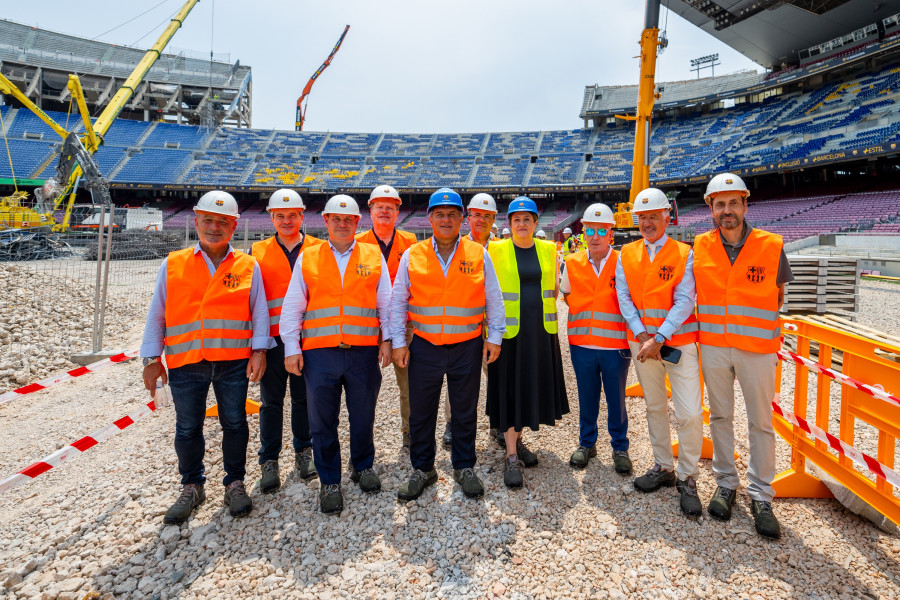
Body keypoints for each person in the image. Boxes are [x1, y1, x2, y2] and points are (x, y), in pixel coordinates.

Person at [141, 190, 269, 525]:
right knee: (186, 428)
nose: (215, 227)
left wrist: (259, 351)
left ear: (234, 226)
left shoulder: (247, 265)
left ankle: (235, 482)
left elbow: (259, 313)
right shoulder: (174, 264)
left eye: (223, 222)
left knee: (235, 423)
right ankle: (192, 485)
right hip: (186, 362)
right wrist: (151, 359)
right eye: (208, 220)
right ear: (196, 221)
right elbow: (157, 314)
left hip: (233, 362)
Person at [694, 173, 793, 539]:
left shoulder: (770, 245)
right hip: (716, 348)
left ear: (745, 205)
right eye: (719, 204)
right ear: (711, 209)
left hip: (757, 350)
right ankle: (725, 484)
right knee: (720, 416)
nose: (727, 210)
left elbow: (778, 296)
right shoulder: (700, 246)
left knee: (760, 422)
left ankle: (760, 495)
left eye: (733, 202)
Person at [281, 195, 393, 514]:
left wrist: (387, 340)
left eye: (349, 219)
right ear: (326, 221)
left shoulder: (372, 255)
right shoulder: (309, 256)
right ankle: (330, 480)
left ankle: (362, 466)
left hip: (363, 353)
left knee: (363, 415)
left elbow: (385, 302)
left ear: (358, 223)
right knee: (322, 421)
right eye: (336, 219)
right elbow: (293, 307)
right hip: (319, 354)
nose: (342, 224)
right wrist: (291, 348)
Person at [391, 188, 505, 501]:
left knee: (465, 410)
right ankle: (422, 468)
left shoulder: (477, 254)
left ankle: (464, 466)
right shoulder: (413, 255)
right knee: (421, 411)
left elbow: (493, 298)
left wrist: (494, 337)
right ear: (429, 218)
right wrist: (399, 342)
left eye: (452, 214)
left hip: (467, 345)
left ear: (461, 219)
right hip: (424, 345)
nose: (445, 219)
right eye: (439, 214)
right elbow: (398, 300)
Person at [616, 187, 704, 519]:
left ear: (667, 216)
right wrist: (642, 334)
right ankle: (664, 466)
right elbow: (624, 296)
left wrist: (660, 337)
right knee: (654, 406)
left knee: (689, 412)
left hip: (677, 343)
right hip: (642, 345)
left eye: (654, 216)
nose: (648, 222)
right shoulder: (626, 253)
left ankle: (688, 476)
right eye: (643, 217)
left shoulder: (684, 253)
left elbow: (685, 299)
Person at [486, 197, 569, 488]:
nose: (521, 224)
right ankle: (510, 454)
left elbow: (556, 289)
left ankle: (517, 440)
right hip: (509, 334)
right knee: (510, 389)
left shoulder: (548, 250)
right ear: (509, 224)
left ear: (535, 223)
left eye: (527, 220)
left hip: (540, 332)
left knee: (527, 387)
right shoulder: (495, 250)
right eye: (516, 220)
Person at [253, 189, 323, 495]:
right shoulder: (258, 251)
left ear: (302, 215)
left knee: (303, 399)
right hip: (272, 341)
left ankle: (303, 450)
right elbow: (254, 302)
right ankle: (269, 460)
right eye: (280, 215)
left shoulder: (319, 249)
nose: (286, 220)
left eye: (292, 215)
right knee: (271, 402)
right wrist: (257, 346)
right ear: (271, 217)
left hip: (307, 338)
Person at [561, 203, 632, 475]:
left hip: (616, 346)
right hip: (582, 345)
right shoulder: (573, 262)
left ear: (610, 232)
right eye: (590, 229)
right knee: (587, 396)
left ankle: (620, 446)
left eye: (601, 230)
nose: (595, 236)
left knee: (616, 399)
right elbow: (567, 294)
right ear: (583, 232)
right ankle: (586, 443)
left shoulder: (623, 262)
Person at [355, 185, 419, 449]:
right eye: (379, 206)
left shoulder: (411, 242)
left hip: (405, 324)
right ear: (370, 210)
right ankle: (362, 441)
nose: (384, 210)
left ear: (397, 211)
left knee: (411, 384)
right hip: (368, 324)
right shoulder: (357, 242)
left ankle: (411, 432)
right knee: (363, 387)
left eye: (389, 206)